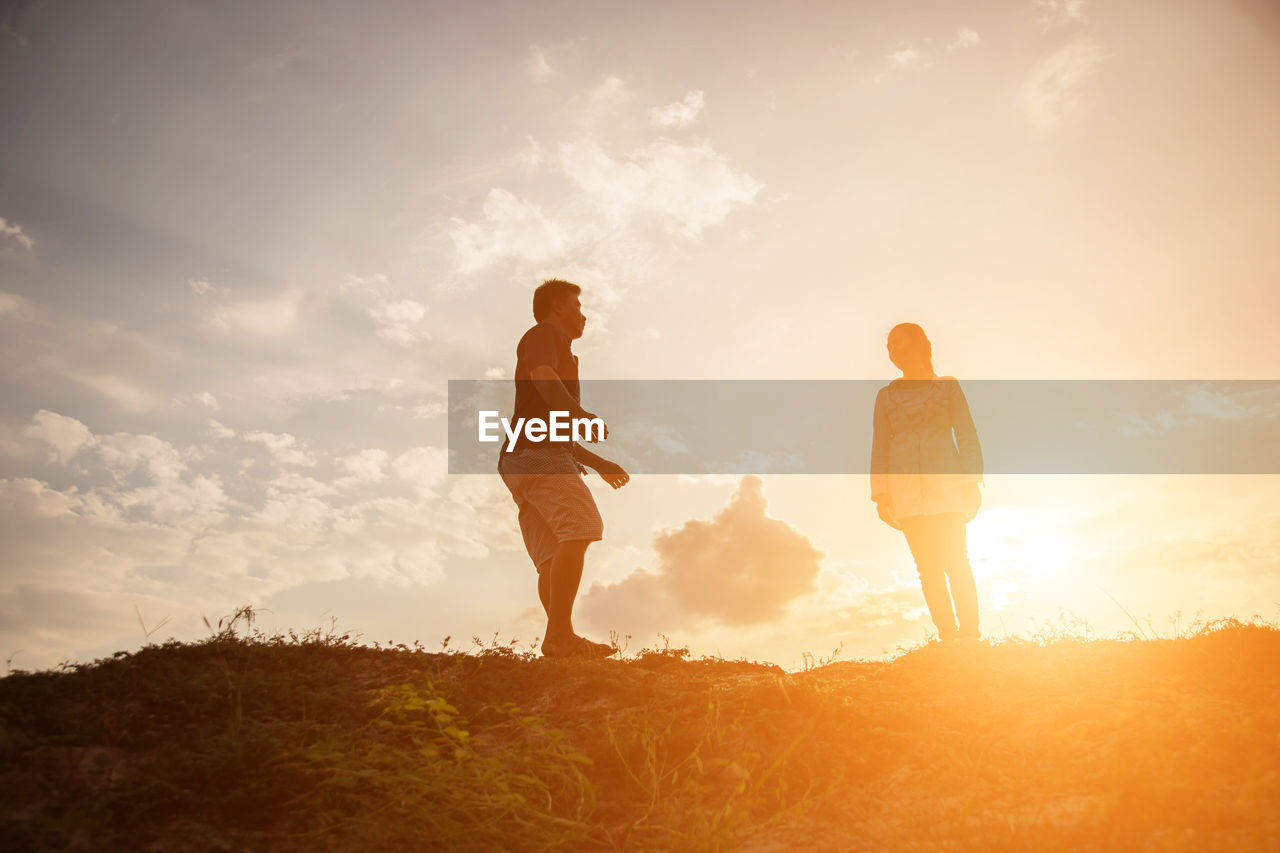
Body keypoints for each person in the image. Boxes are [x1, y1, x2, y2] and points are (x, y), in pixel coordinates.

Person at [497, 278, 631, 659]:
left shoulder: (563, 356)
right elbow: (543, 379)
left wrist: (598, 461)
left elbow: (554, 420)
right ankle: (559, 638)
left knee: (552, 555)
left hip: (519, 459)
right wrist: (580, 412)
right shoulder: (544, 334)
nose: (583, 315)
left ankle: (561, 639)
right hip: (539, 456)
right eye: (577, 305)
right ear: (557, 306)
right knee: (582, 528)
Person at [870, 323, 983, 642]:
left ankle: (971, 636)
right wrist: (881, 495)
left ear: (920, 344)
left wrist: (972, 481)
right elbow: (880, 446)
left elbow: (967, 435)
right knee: (928, 568)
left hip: (947, 487)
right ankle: (948, 638)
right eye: (888, 347)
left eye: (898, 343)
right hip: (904, 492)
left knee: (957, 561)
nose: (893, 351)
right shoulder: (885, 396)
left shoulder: (947, 387)